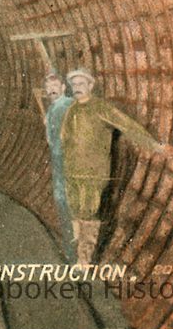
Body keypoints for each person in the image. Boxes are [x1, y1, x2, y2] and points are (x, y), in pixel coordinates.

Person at [61, 68, 164, 264]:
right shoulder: (72, 110)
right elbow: (64, 138)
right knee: (76, 212)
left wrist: (152, 144)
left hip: (94, 173)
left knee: (89, 214)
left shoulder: (100, 107)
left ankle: (84, 261)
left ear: (91, 86)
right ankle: (78, 253)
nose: (77, 88)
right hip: (73, 172)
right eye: (74, 85)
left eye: (82, 84)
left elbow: (126, 124)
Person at [42, 72, 76, 261]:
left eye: (55, 86)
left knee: (68, 206)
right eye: (48, 87)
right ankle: (72, 252)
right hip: (59, 164)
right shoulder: (54, 108)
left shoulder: (67, 106)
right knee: (63, 205)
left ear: (63, 87)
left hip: (68, 164)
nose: (51, 90)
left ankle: (74, 255)